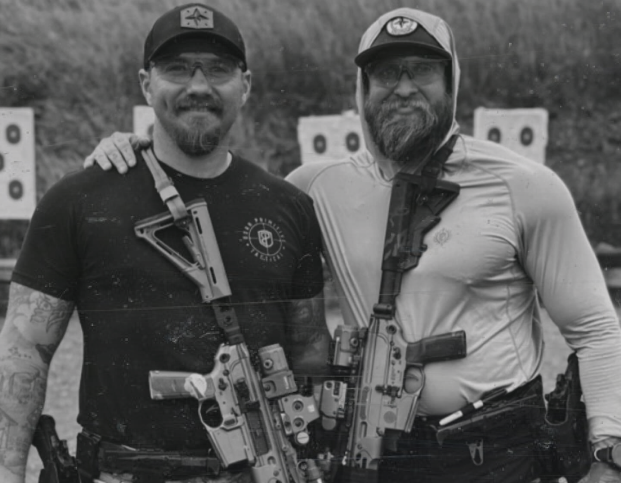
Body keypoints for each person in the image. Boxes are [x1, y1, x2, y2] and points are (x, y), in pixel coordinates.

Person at [85, 6, 621, 483]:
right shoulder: (315, 187)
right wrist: (139, 152)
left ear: (452, 83)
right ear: (362, 89)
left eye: (423, 72)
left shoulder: (524, 186)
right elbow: (219, 191)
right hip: (374, 455)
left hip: (497, 454)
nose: (404, 88)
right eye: (387, 73)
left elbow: (596, 329)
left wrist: (608, 449)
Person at [0, 4, 331, 483]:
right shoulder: (77, 200)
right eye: (177, 69)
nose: (198, 86)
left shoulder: (287, 206)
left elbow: (309, 350)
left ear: (246, 85)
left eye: (217, 69)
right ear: (145, 84)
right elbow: (24, 352)